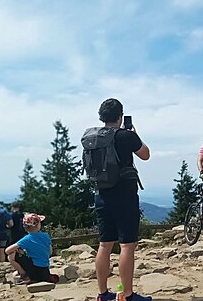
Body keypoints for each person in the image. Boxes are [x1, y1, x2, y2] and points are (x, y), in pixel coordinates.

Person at [90, 98, 151, 301]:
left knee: (104, 244)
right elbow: (145, 155)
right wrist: (134, 133)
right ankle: (128, 294)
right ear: (120, 115)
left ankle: (102, 293)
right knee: (126, 245)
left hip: (101, 194)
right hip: (124, 195)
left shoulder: (94, 138)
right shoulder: (126, 136)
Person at [5, 213, 59, 285]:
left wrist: (19, 252)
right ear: (38, 225)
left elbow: (7, 251)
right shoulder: (46, 236)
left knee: (11, 256)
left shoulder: (27, 239)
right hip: (45, 271)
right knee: (15, 274)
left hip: (34, 271)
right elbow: (50, 252)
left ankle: (24, 275)